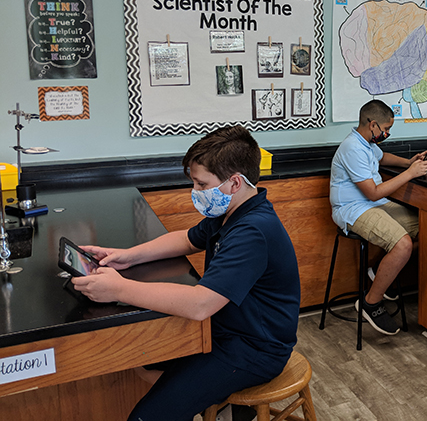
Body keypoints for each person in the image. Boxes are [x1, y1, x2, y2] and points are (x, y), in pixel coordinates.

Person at [73, 125, 300, 421]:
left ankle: (225, 406)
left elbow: (199, 304)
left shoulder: (253, 231)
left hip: (252, 350)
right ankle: (223, 407)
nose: (196, 192)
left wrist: (118, 289)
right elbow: (187, 239)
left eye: (202, 184)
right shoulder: (232, 213)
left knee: (146, 417)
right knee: (141, 360)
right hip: (224, 330)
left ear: (234, 183)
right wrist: (127, 257)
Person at [330, 99, 427, 335]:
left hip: (375, 205)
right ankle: (370, 302)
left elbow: (381, 157)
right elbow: (373, 193)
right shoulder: (352, 148)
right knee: (403, 244)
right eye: (385, 129)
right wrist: (409, 173)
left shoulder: (365, 143)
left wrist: (409, 161)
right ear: (372, 124)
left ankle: (377, 272)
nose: (386, 133)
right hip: (353, 209)